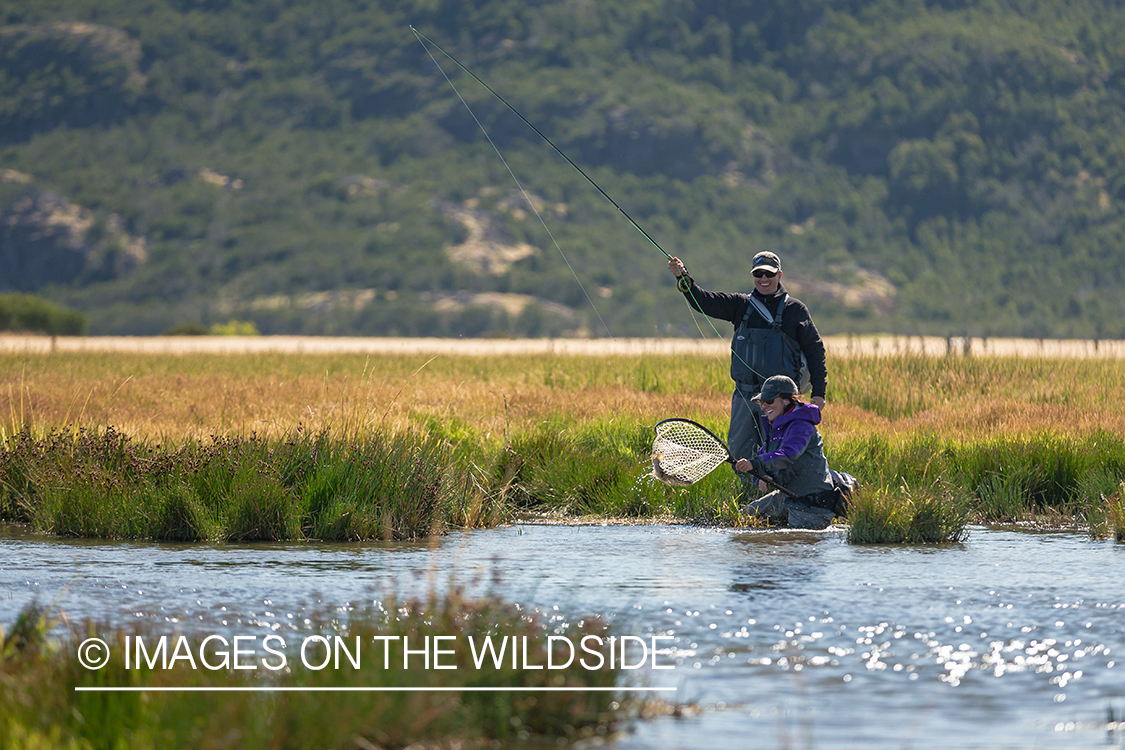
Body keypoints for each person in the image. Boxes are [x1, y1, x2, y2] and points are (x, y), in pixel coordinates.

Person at [668, 251, 827, 500]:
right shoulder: (741, 305)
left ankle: (781, 503)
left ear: (779, 275)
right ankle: (750, 502)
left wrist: (819, 392)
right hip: (744, 394)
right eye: (758, 274)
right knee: (740, 452)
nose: (763, 279)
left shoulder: (796, 310)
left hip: (780, 399)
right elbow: (704, 301)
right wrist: (684, 279)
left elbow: (815, 351)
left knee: (778, 451)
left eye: (769, 274)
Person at [732, 375, 847, 529]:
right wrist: (761, 478)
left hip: (813, 504)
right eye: (762, 402)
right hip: (788, 497)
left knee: (796, 538)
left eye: (770, 401)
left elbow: (788, 454)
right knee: (741, 518)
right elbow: (763, 459)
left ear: (786, 401)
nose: (764, 406)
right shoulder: (774, 426)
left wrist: (755, 464)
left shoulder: (802, 426)